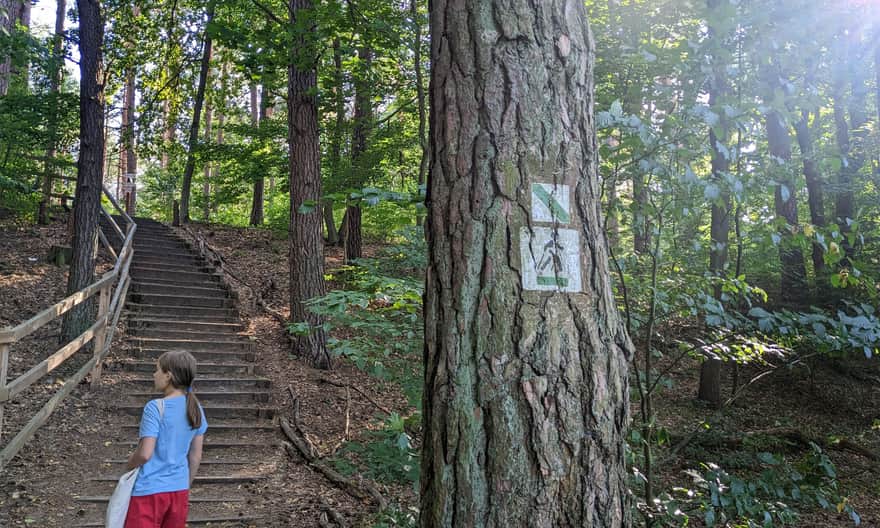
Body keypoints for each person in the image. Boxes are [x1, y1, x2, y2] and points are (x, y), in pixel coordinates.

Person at [123, 350, 208, 528]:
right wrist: (185, 485)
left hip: (149, 491)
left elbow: (145, 454)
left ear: (168, 376)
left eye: (157, 370)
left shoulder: (155, 407)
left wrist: (128, 466)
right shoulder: (196, 408)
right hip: (179, 491)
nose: (154, 375)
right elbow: (195, 456)